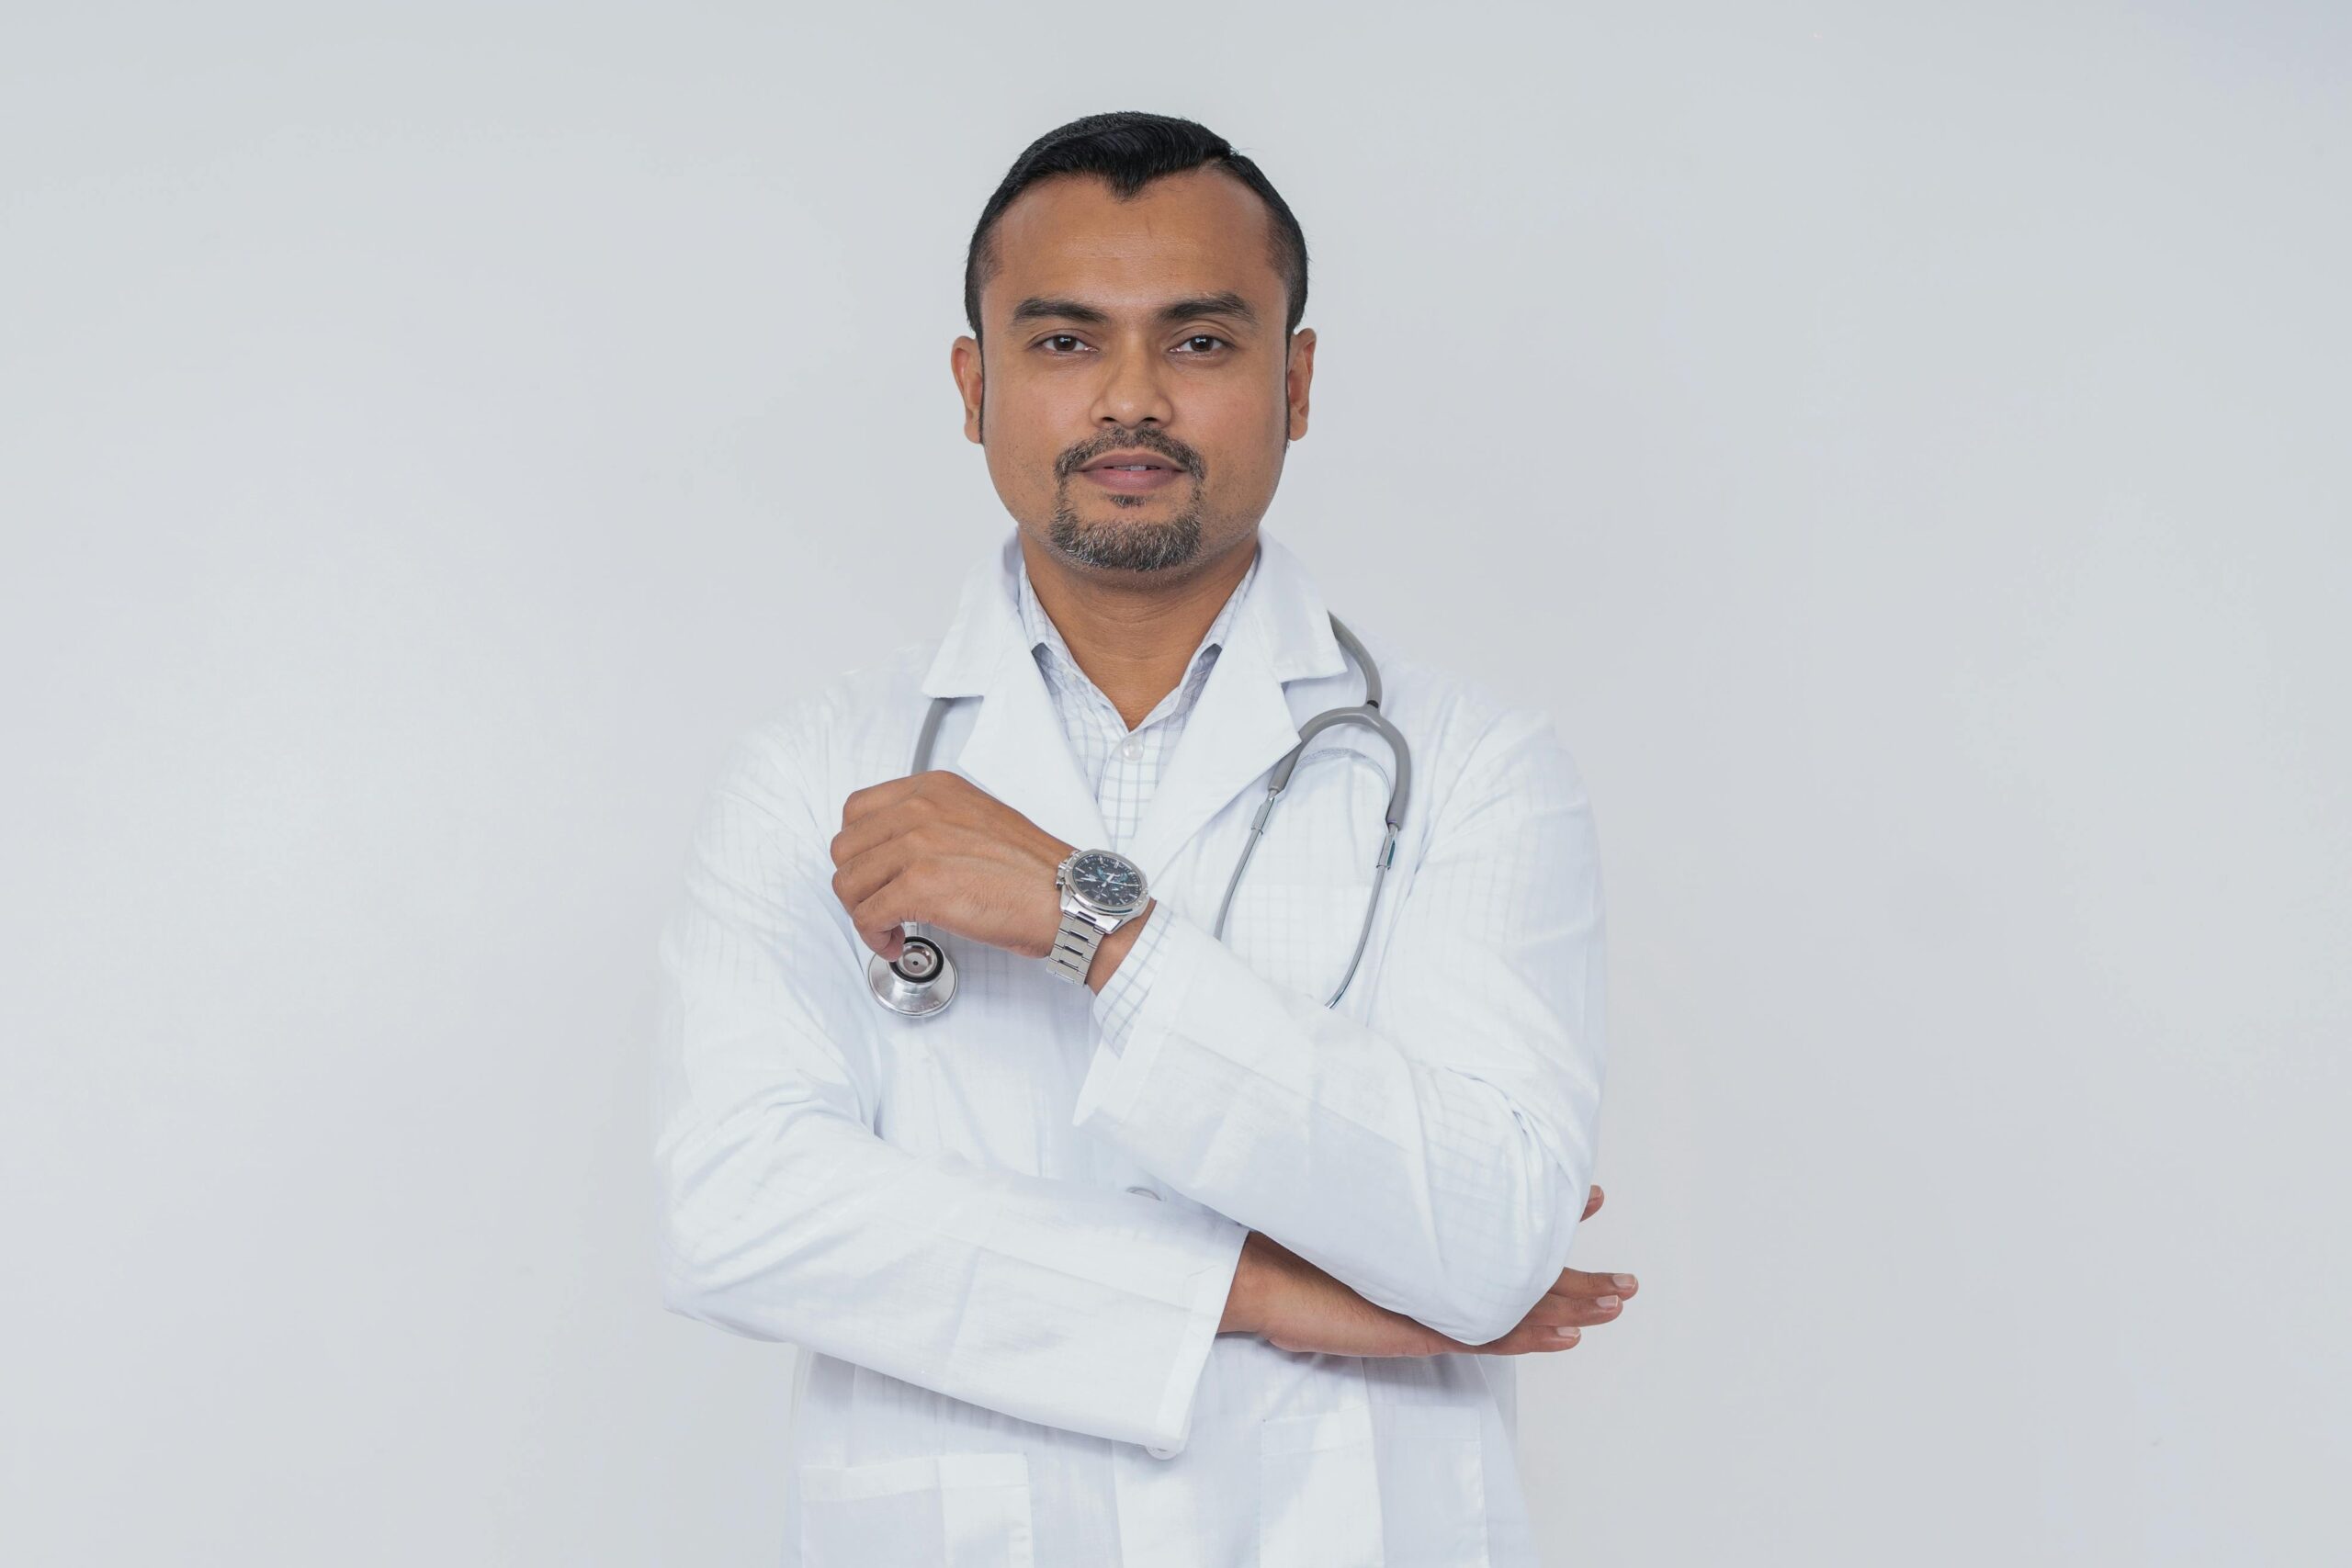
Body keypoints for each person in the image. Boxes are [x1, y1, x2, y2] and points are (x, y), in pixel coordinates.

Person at [653, 110, 1633, 1567]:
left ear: (1295, 382)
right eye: (1062, 344)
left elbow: (1489, 1243)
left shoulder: (1477, 769)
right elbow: (738, 1216)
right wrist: (1258, 1287)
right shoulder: (814, 774)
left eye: (1200, 343)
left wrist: (1091, 924)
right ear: (973, 384)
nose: (1130, 399)